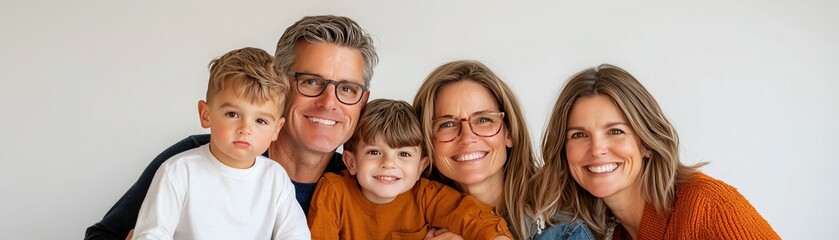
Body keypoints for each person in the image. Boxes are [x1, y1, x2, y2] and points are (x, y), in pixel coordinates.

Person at [85, 15, 378, 240]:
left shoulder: (368, 182)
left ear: (362, 102)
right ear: (278, 87)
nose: (329, 103)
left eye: (348, 89)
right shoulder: (191, 161)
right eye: (311, 82)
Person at [535, 64, 780, 239]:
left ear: (646, 143)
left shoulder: (708, 206)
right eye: (579, 135)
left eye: (616, 131)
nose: (597, 149)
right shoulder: (599, 231)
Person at [131, 47, 309, 239]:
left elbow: (295, 235)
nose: (245, 129)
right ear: (206, 115)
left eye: (261, 121)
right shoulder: (179, 172)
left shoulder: (276, 179)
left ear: (276, 129)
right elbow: (152, 234)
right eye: (232, 114)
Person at [412, 60, 593, 239]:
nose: (467, 138)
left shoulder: (562, 230)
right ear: (426, 143)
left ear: (509, 133)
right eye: (447, 124)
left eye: (483, 120)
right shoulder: (405, 222)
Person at [307, 99, 513, 239]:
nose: (388, 163)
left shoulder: (425, 195)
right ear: (351, 162)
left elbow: (473, 216)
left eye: (403, 154)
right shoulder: (334, 191)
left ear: (420, 167)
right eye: (374, 152)